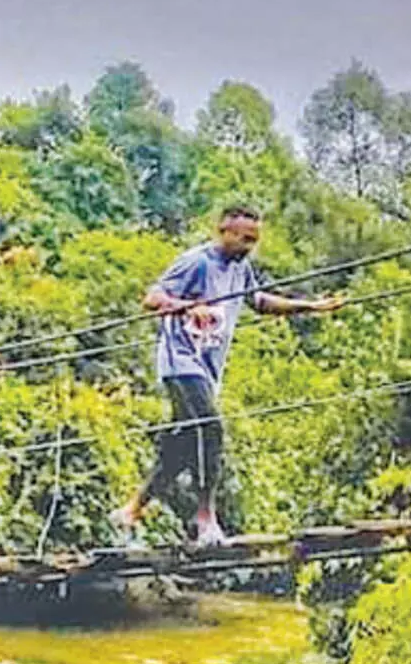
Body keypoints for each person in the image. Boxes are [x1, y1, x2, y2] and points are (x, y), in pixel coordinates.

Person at [111, 205, 344, 549]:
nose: (249, 246)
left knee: (182, 445)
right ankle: (205, 518)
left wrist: (308, 307)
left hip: (207, 369)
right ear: (224, 231)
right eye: (244, 239)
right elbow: (152, 298)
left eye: (254, 241)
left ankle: (130, 511)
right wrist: (189, 306)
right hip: (181, 362)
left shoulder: (241, 268)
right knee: (210, 427)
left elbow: (259, 301)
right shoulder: (197, 261)